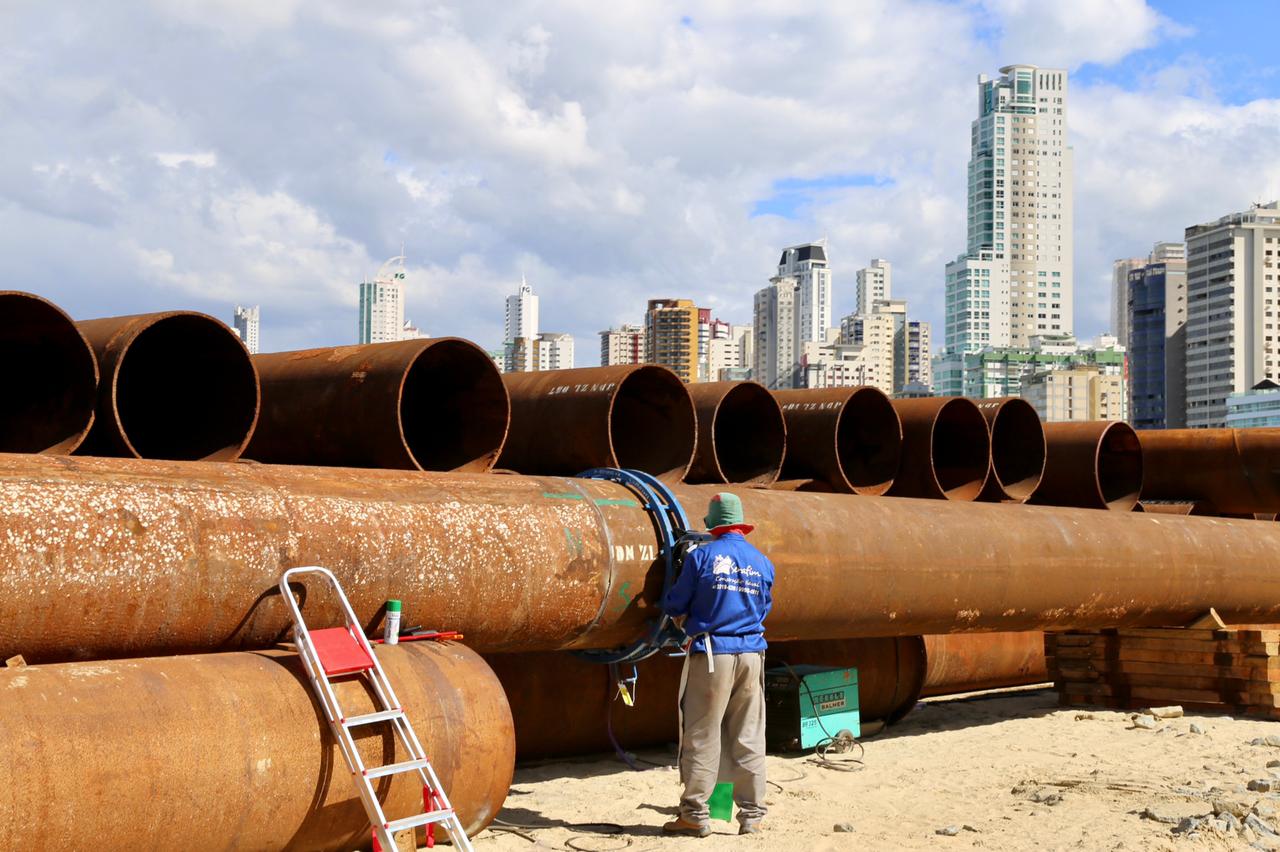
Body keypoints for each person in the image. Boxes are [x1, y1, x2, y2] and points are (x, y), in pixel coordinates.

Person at [660, 492, 775, 838]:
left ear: (713, 526)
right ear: (740, 526)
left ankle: (695, 814)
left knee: (702, 734)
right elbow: (765, 607)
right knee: (749, 735)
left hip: (714, 655)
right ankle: (752, 816)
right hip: (752, 655)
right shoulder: (762, 561)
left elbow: (674, 602)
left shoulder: (702, 557)